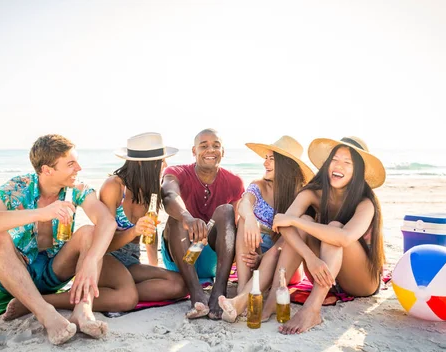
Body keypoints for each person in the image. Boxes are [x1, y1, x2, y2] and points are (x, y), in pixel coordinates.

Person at [0, 134, 117, 345]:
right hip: (15, 274)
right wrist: (40, 213)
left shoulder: (76, 189)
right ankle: (47, 315)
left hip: (54, 270)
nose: (79, 168)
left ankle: (82, 310)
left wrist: (91, 260)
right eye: (71, 164)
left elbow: (107, 222)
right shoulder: (18, 188)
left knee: (90, 232)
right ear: (47, 170)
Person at [262, 136, 386, 334]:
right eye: (335, 159)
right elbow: (283, 226)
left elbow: (344, 238)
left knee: (333, 228)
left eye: (348, 163)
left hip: (361, 281)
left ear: (358, 172)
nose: (339, 166)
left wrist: (295, 220)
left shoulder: (365, 202)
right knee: (305, 225)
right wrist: (310, 257)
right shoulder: (312, 192)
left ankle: (312, 310)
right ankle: (272, 301)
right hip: (325, 273)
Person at [161, 128, 245, 319]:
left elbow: (235, 226)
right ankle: (196, 293)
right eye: (204, 145)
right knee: (175, 218)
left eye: (216, 146)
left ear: (222, 152)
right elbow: (168, 195)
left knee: (227, 211)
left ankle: (219, 288)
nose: (210, 150)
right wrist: (187, 218)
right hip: (181, 257)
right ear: (193, 151)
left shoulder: (234, 181)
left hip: (214, 260)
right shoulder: (176, 171)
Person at [98, 132, 187, 303]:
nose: (165, 165)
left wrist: (153, 267)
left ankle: (117, 293)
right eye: (160, 161)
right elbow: (102, 242)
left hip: (131, 262)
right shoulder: (114, 187)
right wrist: (133, 231)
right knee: (167, 285)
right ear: (141, 163)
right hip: (106, 260)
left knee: (179, 284)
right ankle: (117, 293)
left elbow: (150, 236)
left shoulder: (150, 190)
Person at [233, 135, 315, 294]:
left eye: (271, 159)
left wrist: (263, 259)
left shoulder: (301, 195)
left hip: (284, 263)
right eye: (265, 158)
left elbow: (294, 238)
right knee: (244, 220)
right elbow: (244, 203)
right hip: (254, 258)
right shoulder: (259, 185)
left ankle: (249, 292)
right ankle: (242, 289)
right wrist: (250, 218)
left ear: (286, 164)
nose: (265, 163)